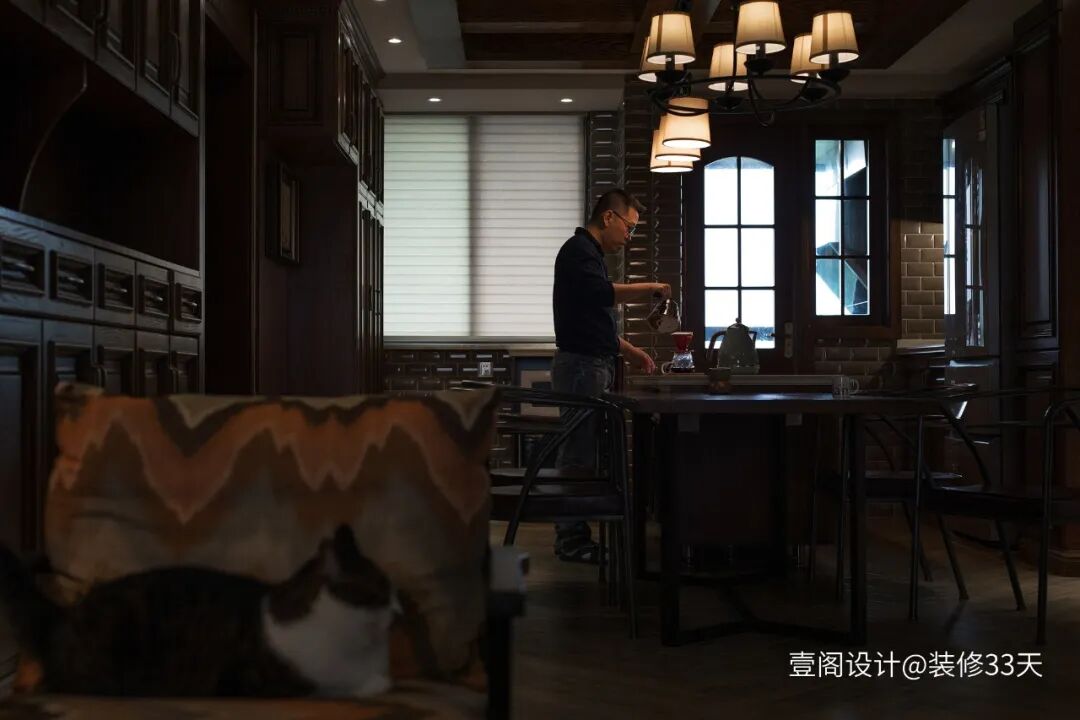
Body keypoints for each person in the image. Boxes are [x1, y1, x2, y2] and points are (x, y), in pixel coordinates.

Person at [550, 189, 670, 563]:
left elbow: (593, 323)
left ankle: (576, 535)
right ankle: (572, 540)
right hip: (581, 368)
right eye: (629, 227)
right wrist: (651, 288)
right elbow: (603, 295)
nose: (629, 236)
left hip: (588, 366)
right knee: (579, 453)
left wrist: (632, 352)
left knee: (586, 452)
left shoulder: (589, 255)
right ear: (608, 218)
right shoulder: (578, 252)